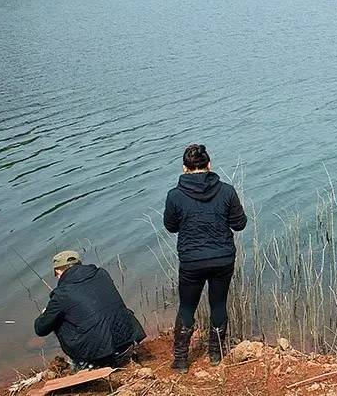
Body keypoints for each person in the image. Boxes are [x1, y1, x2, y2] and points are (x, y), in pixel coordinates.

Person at [164, 144, 247, 373]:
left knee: (187, 307)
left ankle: (181, 360)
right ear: (209, 166)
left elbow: (170, 227)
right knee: (218, 304)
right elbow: (239, 224)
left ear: (184, 168)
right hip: (222, 258)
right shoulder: (227, 191)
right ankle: (215, 355)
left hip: (192, 261)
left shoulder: (175, 196)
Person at [34, 250, 146, 369]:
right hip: (127, 342)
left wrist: (46, 313)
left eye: (56, 274)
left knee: (57, 320)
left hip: (102, 356)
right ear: (79, 264)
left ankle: (83, 362)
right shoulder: (102, 273)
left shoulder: (61, 294)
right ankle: (118, 352)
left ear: (58, 271)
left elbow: (40, 329)